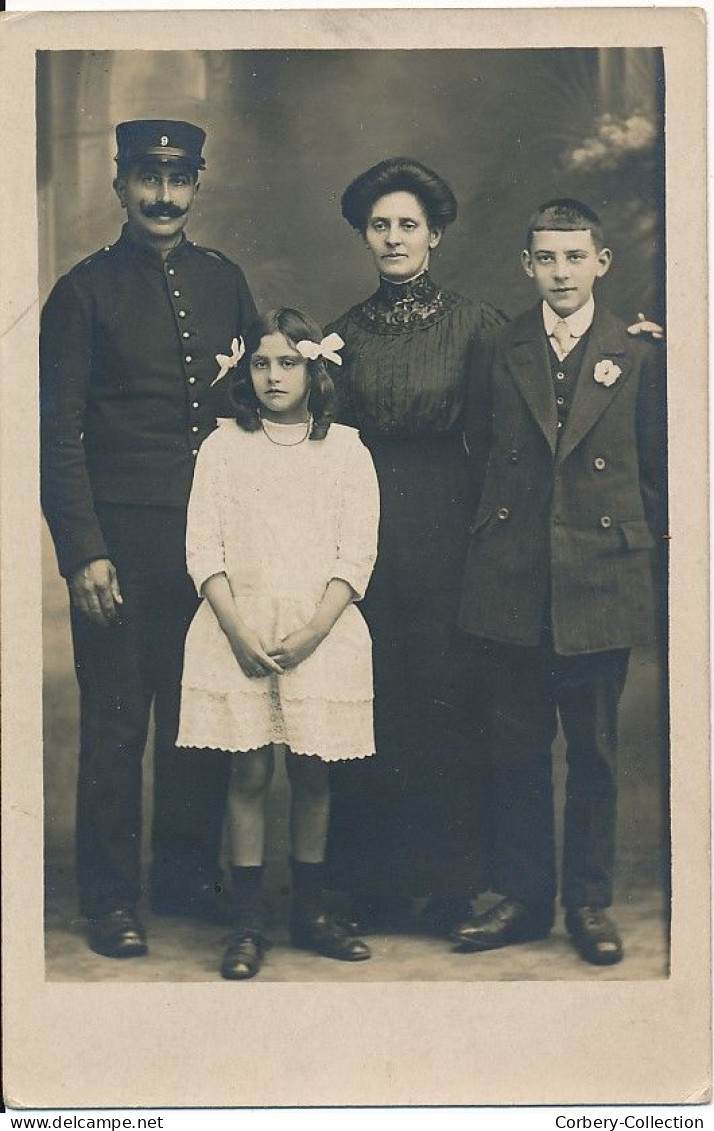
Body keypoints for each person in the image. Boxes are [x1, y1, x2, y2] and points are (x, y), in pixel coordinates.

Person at [40, 120, 258, 958]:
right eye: (146, 178)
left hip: (210, 548)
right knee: (119, 724)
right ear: (119, 185)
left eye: (177, 178)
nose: (162, 195)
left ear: (198, 184)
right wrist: (84, 551)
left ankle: (179, 879)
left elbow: (248, 411)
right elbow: (58, 437)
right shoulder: (82, 292)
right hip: (120, 549)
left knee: (196, 719)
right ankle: (109, 900)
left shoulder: (223, 280)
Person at [453, 199, 666, 965]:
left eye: (575, 257)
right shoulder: (500, 346)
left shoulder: (639, 353)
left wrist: (626, 551)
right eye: (547, 258)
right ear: (527, 265)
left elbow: (659, 471)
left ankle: (588, 900)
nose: (562, 272)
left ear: (601, 263)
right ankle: (524, 896)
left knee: (596, 753)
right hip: (513, 575)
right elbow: (479, 450)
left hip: (600, 579)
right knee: (515, 747)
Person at [324, 158, 507, 937]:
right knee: (374, 699)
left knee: (446, 698)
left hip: (449, 518)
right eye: (380, 225)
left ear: (434, 234)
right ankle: (375, 884)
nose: (393, 238)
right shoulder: (344, 334)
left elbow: (501, 445)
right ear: (365, 235)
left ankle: (455, 882)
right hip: (365, 521)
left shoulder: (477, 325)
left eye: (407, 224)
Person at [177, 308, 380, 980]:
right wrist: (237, 630)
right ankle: (245, 921)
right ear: (245, 371)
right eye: (261, 363)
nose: (272, 375)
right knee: (250, 771)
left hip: (320, 631)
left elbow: (357, 553)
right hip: (236, 625)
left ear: (313, 369)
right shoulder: (222, 446)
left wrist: (315, 630)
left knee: (315, 769)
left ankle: (312, 912)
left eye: (288, 362)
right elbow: (203, 545)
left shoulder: (346, 449)